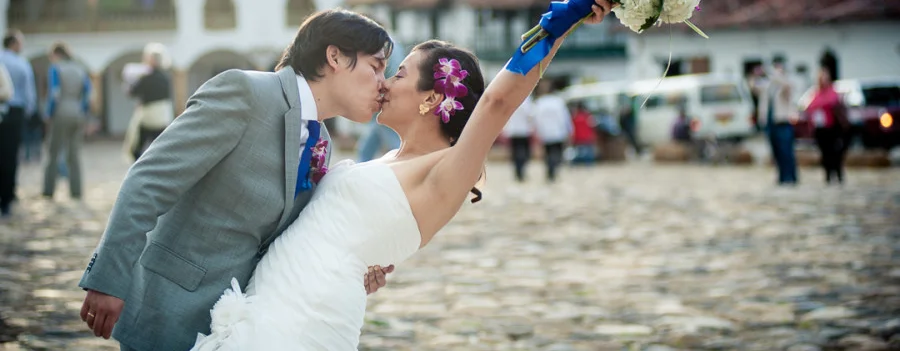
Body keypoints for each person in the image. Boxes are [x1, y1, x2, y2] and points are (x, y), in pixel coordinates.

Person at [190, 2, 613, 349]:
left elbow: (498, 104)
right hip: (271, 300)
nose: (384, 83)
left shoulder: (446, 170)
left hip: (302, 320)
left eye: (398, 73)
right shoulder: (388, 159)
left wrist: (564, 20)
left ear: (431, 98)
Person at [77, 10, 394, 351]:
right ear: (335, 56)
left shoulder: (322, 143)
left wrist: (349, 272)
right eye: (375, 67)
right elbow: (149, 181)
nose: (383, 83)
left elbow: (286, 239)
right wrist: (109, 278)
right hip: (169, 310)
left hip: (238, 326)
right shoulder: (245, 92)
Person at [42, 42, 92, 200]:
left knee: (53, 152)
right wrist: (83, 112)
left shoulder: (56, 68)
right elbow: (87, 94)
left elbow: (55, 93)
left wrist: (48, 113)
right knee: (74, 154)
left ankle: (48, 190)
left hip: (61, 112)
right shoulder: (80, 69)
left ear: (57, 54)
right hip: (77, 113)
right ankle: (76, 191)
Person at [0, 30, 37, 217]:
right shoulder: (22, 63)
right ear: (13, 43)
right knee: (10, 155)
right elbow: (29, 92)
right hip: (15, 113)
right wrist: (29, 112)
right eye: (20, 42)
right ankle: (7, 197)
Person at [356, 22, 404, 162]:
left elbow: (393, 73)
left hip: (385, 99)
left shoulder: (386, 47)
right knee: (372, 141)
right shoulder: (391, 44)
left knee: (391, 140)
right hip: (385, 98)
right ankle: (361, 164)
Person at [123, 43, 173, 162]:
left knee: (136, 150)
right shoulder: (166, 78)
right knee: (161, 150)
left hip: (148, 118)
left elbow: (132, 92)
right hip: (164, 117)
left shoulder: (146, 77)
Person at [805, 50, 848, 185]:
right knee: (824, 153)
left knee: (835, 152)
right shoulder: (816, 93)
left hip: (832, 127)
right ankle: (828, 175)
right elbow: (810, 107)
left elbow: (832, 102)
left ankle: (838, 174)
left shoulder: (832, 91)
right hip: (820, 128)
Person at [758, 55, 798, 185]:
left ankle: (790, 177)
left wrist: (777, 76)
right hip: (771, 123)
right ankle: (781, 176)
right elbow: (755, 87)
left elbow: (788, 86)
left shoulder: (785, 84)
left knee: (786, 151)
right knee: (776, 152)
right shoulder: (768, 86)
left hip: (783, 122)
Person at [533, 80, 573, 182]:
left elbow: (536, 119)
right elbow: (565, 118)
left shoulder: (539, 102)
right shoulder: (558, 102)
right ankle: (553, 171)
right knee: (556, 153)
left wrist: (537, 131)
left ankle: (550, 171)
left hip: (545, 132)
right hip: (558, 132)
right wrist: (569, 130)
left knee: (548, 153)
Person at [501, 96, 535, 181]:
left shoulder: (510, 98)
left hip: (513, 130)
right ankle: (521, 171)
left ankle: (517, 171)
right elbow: (530, 115)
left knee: (515, 152)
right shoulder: (527, 100)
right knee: (524, 153)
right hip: (524, 130)